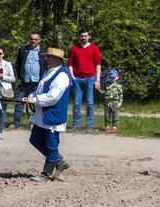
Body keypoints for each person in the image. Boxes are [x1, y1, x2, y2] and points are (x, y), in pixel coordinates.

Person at [23, 47, 72, 181]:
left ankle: (47, 174)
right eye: (46, 57)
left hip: (52, 115)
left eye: (49, 57)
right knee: (35, 139)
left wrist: (35, 99)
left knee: (51, 145)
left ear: (57, 60)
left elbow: (53, 97)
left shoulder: (62, 75)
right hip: (42, 115)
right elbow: (40, 90)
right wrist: (30, 97)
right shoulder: (49, 72)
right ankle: (59, 161)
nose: (46, 59)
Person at [9, 32, 46, 129]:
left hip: (38, 82)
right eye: (31, 39)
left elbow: (47, 66)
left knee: (35, 103)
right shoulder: (23, 50)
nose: (33, 41)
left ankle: (33, 123)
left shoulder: (44, 51)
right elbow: (17, 65)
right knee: (19, 102)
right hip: (25, 81)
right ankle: (16, 123)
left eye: (35, 39)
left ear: (39, 40)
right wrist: (16, 77)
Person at [68, 29, 102, 132]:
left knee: (90, 103)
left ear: (89, 37)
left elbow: (98, 65)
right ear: (79, 37)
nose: (83, 38)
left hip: (90, 78)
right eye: (82, 36)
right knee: (77, 103)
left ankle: (89, 126)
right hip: (77, 79)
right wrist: (73, 77)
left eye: (85, 36)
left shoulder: (94, 48)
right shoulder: (74, 48)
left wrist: (98, 80)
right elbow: (70, 64)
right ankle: (76, 125)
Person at [102, 69, 123, 133]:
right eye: (111, 77)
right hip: (107, 102)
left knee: (115, 115)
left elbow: (121, 94)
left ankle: (114, 126)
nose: (112, 78)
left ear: (117, 77)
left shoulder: (118, 86)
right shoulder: (106, 84)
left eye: (113, 77)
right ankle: (107, 126)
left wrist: (120, 102)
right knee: (107, 115)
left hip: (115, 102)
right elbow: (104, 92)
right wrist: (99, 90)